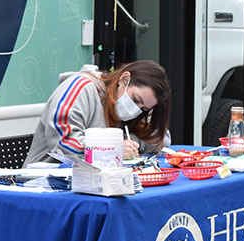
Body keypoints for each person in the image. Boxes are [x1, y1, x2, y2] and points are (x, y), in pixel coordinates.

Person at [24, 60, 171, 165]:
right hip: (43, 185)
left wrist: (131, 144)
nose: (135, 110)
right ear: (124, 79)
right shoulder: (80, 88)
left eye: (143, 109)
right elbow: (65, 144)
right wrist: (114, 149)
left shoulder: (132, 109)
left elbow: (161, 139)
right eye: (135, 99)